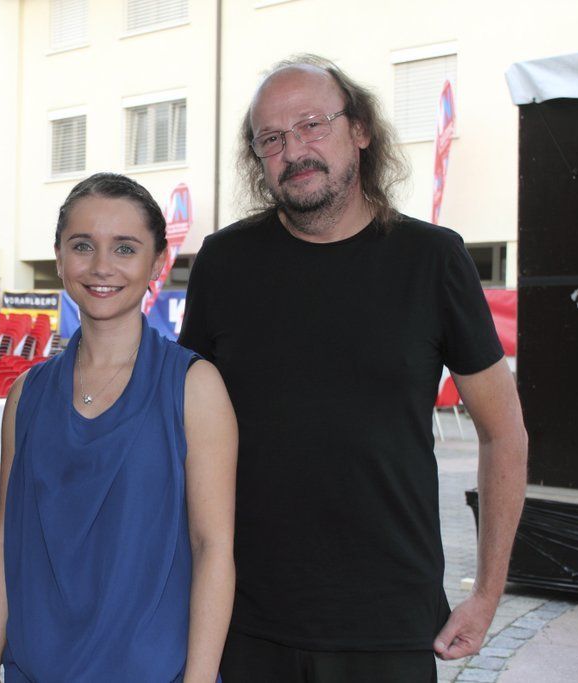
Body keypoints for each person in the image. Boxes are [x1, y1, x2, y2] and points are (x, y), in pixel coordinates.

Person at [179, 55, 528, 682]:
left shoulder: (433, 260)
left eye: (312, 125)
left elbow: (504, 432)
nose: (294, 151)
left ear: (360, 129)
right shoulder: (223, 264)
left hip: (389, 625)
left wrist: (486, 594)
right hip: (246, 620)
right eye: (271, 139)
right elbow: (185, 435)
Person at [0, 173, 238, 683]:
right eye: (82, 246)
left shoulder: (194, 386)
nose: (101, 266)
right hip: (35, 671)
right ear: (58, 257)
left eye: (124, 248)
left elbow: (213, 548)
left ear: (157, 262)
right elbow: (7, 540)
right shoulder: (27, 394)